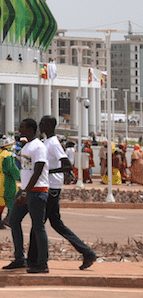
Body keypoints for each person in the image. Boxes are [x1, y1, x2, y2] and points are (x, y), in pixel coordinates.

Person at [40, 116, 97, 270]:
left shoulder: (53, 143)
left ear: (50, 125)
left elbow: (67, 166)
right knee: (56, 224)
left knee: (39, 225)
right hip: (51, 185)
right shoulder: (47, 142)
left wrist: (47, 171)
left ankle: (36, 260)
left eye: (42, 123)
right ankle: (87, 252)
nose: (40, 125)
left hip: (52, 187)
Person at [4, 118, 48, 273]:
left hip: (36, 192)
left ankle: (42, 263)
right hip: (24, 190)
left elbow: (38, 170)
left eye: (22, 127)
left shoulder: (38, 147)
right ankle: (19, 259)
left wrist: (25, 192)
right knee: (13, 220)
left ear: (30, 129)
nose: (19, 129)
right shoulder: (26, 146)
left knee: (38, 227)